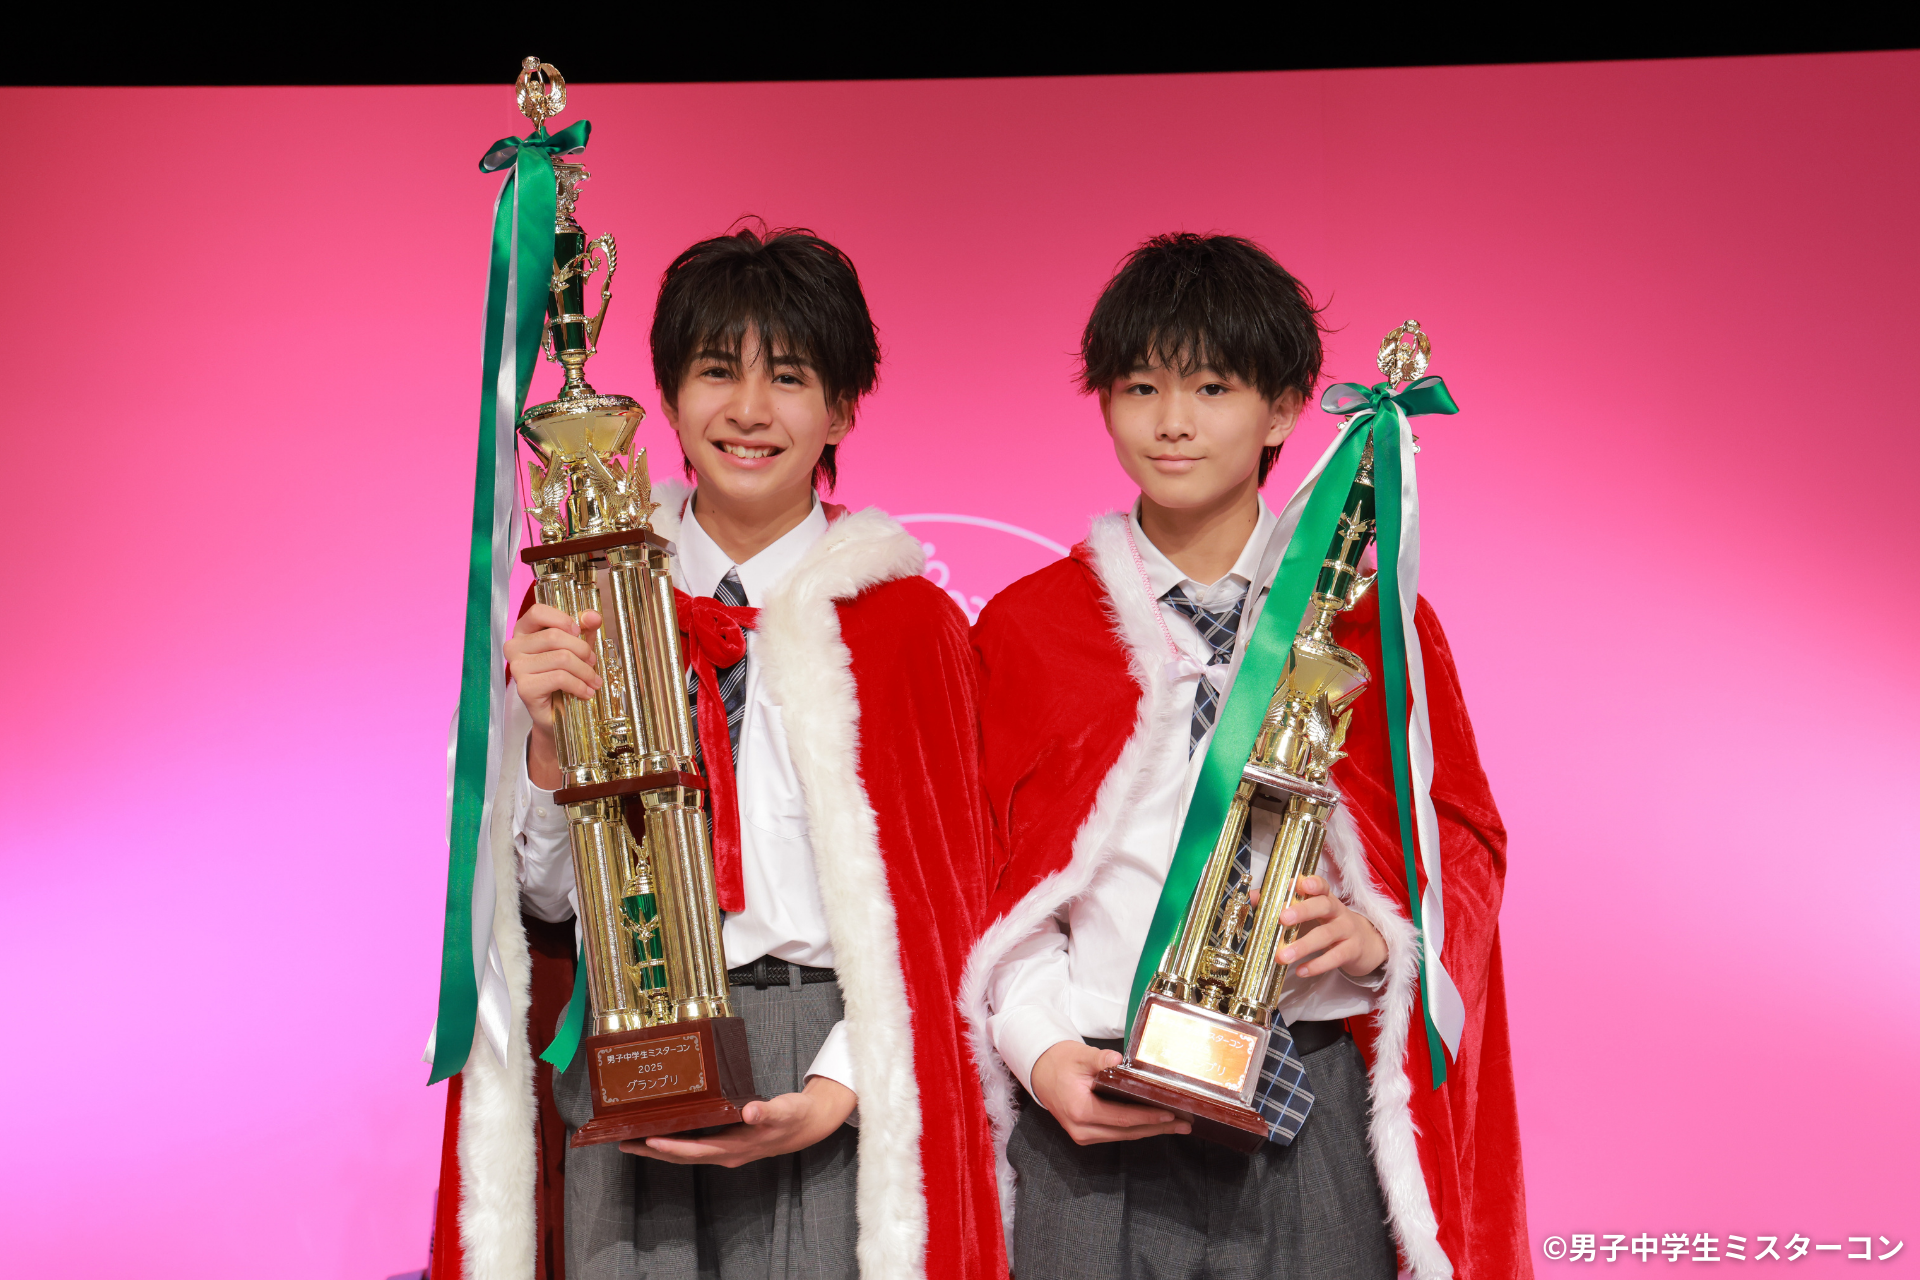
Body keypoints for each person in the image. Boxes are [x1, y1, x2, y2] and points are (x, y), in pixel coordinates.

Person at [440, 224, 1007, 1280]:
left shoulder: (909, 624)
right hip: (626, 1045)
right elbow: (545, 911)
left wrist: (841, 1084)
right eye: (716, 371)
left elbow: (952, 910)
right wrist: (551, 749)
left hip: (827, 1064)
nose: (749, 411)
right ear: (665, 394)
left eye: (788, 377)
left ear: (842, 409)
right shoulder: (582, 600)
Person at [961, 232, 1528, 1279]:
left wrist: (1379, 937)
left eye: (1212, 387)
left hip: (1310, 1108)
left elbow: (1462, 844)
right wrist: (1039, 1053)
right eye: (1141, 387)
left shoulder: (1370, 622)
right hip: (1093, 1105)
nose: (1172, 421)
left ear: (1283, 409)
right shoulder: (1030, 626)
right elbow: (986, 879)